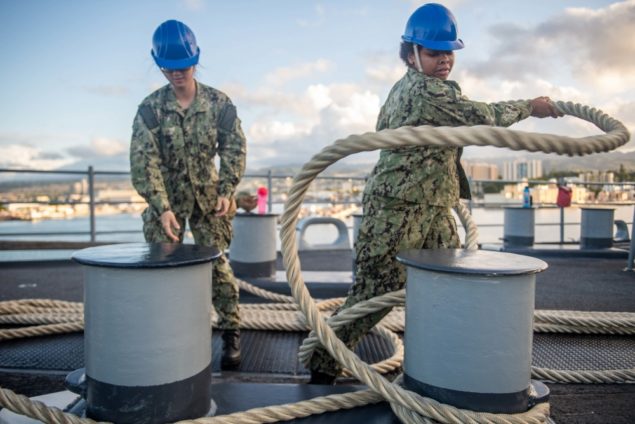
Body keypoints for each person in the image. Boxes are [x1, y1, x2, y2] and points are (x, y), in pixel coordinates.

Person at [307, 3, 562, 384]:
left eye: (449, 52)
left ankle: (448, 366)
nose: (444, 60)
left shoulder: (419, 88)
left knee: (453, 280)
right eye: (433, 52)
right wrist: (531, 106)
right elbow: (482, 116)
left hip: (434, 208)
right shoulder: (424, 91)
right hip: (397, 210)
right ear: (411, 54)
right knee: (374, 295)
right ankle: (322, 369)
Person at [130, 20, 247, 369]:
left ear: (196, 60)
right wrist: (162, 207)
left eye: (183, 66)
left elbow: (234, 147)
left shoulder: (218, 103)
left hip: (209, 201)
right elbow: (143, 159)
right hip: (165, 199)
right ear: (158, 63)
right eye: (168, 68)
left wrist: (227, 190)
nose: (177, 74)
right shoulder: (150, 109)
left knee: (217, 266)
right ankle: (165, 333)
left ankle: (231, 331)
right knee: (161, 268)